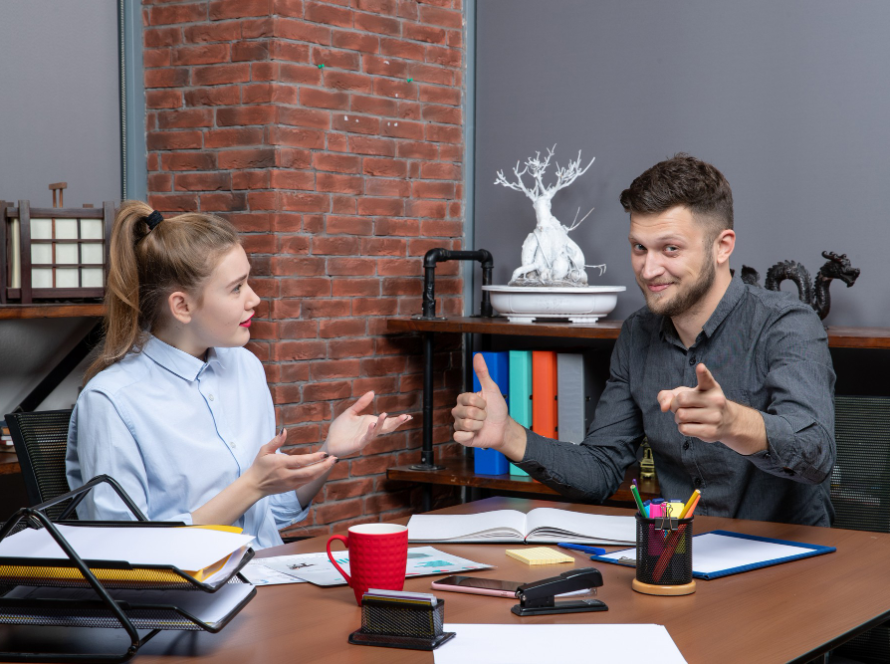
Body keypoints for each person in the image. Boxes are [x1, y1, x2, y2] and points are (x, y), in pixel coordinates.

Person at [452, 154, 836, 526]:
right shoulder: (638, 332)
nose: (649, 269)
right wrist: (508, 435)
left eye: (670, 248)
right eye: (639, 248)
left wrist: (734, 423)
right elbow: (600, 470)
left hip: (787, 562)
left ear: (722, 246)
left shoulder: (787, 323)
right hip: (678, 556)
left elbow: (816, 455)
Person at [67, 201, 410, 548]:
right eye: (236, 288)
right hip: (183, 596)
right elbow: (119, 550)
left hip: (265, 576)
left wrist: (329, 452)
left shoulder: (245, 368)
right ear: (182, 306)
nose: (254, 299)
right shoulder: (111, 400)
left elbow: (268, 517)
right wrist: (253, 485)